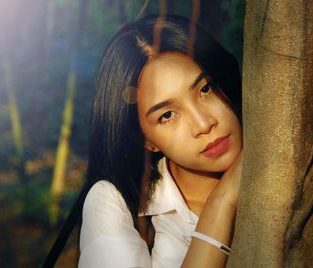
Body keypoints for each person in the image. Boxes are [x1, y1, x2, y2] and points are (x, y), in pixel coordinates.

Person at [79, 14, 242, 268]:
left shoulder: (297, 153)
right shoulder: (115, 203)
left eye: (205, 89)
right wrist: (222, 203)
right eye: (167, 115)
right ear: (146, 140)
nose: (204, 124)